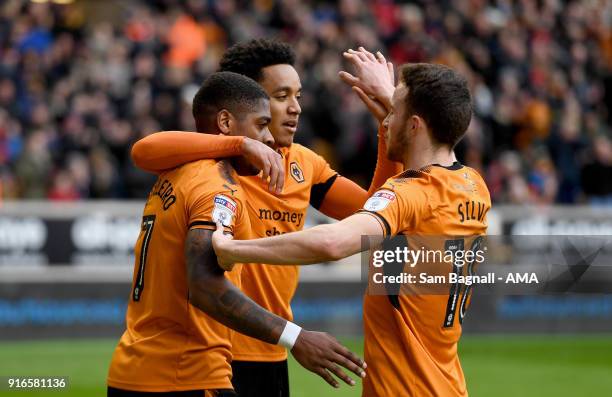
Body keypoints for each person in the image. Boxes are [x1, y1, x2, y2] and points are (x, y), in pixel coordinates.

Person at [129, 40, 401, 395]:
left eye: (298, 96)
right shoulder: (213, 164)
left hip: (272, 349)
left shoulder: (303, 163)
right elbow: (144, 150)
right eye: (282, 95)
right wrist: (241, 144)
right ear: (249, 99)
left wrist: (387, 133)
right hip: (215, 349)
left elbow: (371, 211)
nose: (295, 108)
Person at [212, 63, 492, 397]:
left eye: (394, 111)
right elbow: (433, 124)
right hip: (447, 384)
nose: (386, 119)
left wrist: (233, 249)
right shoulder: (473, 185)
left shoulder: (411, 194)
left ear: (415, 125)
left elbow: (334, 241)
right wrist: (394, 105)